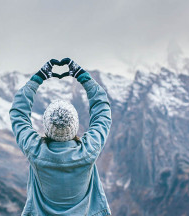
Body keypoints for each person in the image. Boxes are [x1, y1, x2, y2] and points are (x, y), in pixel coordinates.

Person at [9, 58, 112, 216]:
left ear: (47, 127)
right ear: (75, 126)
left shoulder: (35, 151)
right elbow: (102, 111)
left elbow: (18, 113)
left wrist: (39, 77)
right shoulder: (89, 151)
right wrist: (81, 75)